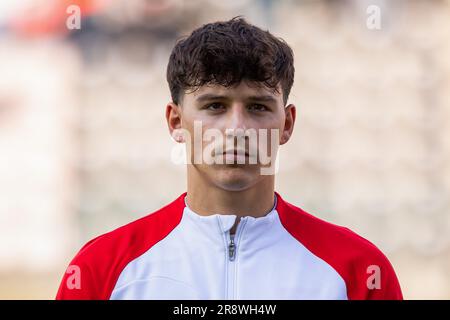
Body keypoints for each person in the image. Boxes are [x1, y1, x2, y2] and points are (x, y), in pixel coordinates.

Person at [56, 16, 403, 300]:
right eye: (215, 106)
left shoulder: (358, 272)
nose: (237, 128)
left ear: (287, 124)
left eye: (257, 106)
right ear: (176, 122)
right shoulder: (101, 271)